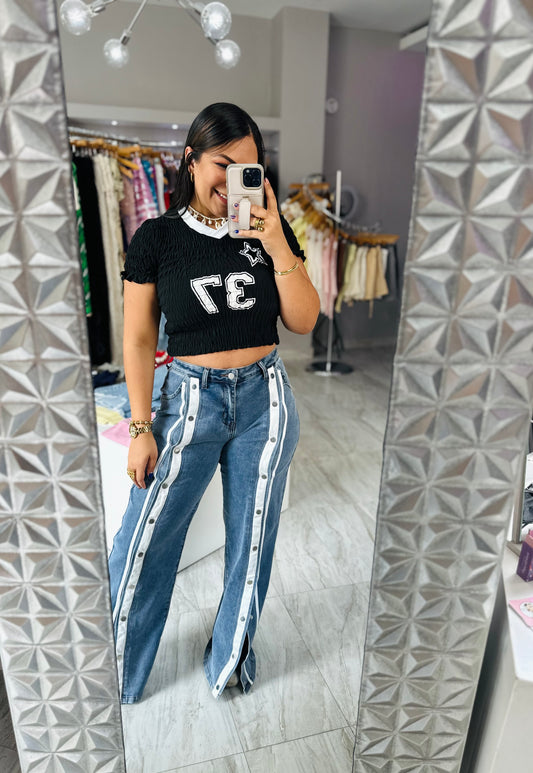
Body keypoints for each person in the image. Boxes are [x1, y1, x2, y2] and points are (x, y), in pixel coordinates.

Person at [108, 102, 320, 704]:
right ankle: (115, 670)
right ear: (192, 160)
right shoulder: (156, 237)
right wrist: (141, 426)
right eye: (222, 164)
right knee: (143, 541)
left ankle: (231, 662)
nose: (233, 181)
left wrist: (276, 241)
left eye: (248, 168)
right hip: (188, 401)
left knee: (252, 542)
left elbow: (304, 320)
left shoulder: (270, 230)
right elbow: (138, 339)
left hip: (265, 399)